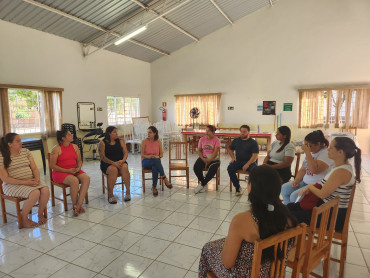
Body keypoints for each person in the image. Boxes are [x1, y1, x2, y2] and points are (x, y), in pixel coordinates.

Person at [199, 166, 298, 277]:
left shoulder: (242, 220)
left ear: (251, 187)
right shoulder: (288, 216)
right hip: (275, 274)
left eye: (248, 181)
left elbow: (227, 263)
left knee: (207, 249)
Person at [287, 137, 361, 231]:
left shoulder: (341, 172)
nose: (327, 149)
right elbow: (323, 186)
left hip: (331, 216)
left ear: (340, 152)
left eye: (331, 147)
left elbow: (322, 194)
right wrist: (310, 189)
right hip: (325, 208)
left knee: (287, 216)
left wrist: (309, 186)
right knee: (288, 208)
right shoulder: (339, 167)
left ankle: (290, 242)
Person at [0, 133, 50, 227]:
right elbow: (5, 179)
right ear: (9, 144)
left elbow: (34, 168)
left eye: (20, 140)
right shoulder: (1, 156)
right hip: (12, 186)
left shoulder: (25, 151)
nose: (21, 143)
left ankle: (40, 214)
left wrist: (37, 179)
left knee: (45, 190)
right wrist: (25, 182)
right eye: (17, 141)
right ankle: (24, 219)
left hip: (29, 181)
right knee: (35, 193)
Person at [281, 130, 334, 205]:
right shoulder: (311, 152)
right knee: (284, 188)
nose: (306, 147)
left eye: (309, 146)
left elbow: (315, 170)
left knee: (294, 197)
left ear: (318, 144)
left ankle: (294, 212)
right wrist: (297, 180)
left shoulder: (325, 154)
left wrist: (308, 153)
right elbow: (303, 169)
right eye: (305, 145)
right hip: (305, 182)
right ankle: (290, 211)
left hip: (317, 185)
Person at [50, 130, 90, 216]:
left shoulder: (75, 147)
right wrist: (67, 171)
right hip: (60, 172)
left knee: (86, 178)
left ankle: (79, 204)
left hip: (74, 170)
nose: (72, 135)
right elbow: (52, 165)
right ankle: (75, 204)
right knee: (74, 181)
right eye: (69, 135)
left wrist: (78, 167)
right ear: (63, 138)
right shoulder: (56, 149)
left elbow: (79, 160)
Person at [99, 126, 131, 204]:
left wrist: (122, 160)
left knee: (125, 167)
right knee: (113, 169)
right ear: (109, 134)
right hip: (107, 163)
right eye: (114, 132)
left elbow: (126, 153)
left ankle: (128, 191)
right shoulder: (102, 143)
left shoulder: (120, 141)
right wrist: (113, 163)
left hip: (120, 162)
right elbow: (102, 157)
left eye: (116, 132)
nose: (117, 134)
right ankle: (110, 194)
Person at [227, 125, 259, 196]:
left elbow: (255, 155)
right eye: (241, 131)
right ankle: (237, 187)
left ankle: (252, 190)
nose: (242, 133)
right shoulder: (236, 140)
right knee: (230, 168)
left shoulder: (253, 142)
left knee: (254, 172)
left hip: (250, 162)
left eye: (244, 132)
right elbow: (230, 149)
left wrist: (247, 164)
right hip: (238, 161)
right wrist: (233, 158)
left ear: (248, 132)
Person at [141, 126, 172, 196]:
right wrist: (150, 156)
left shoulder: (158, 142)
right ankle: (164, 177)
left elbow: (161, 155)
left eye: (150, 133)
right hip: (146, 161)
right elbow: (142, 155)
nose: (148, 134)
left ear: (155, 133)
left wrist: (156, 157)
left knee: (155, 166)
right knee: (156, 161)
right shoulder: (144, 142)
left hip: (155, 161)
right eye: (147, 133)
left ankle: (154, 187)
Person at [194, 125, 221, 194]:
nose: (206, 132)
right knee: (196, 167)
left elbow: (215, 152)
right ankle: (204, 183)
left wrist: (210, 159)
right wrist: (202, 158)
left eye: (208, 131)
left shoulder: (216, 140)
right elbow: (199, 150)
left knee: (213, 168)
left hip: (214, 158)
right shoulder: (202, 139)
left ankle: (202, 184)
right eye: (206, 130)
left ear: (213, 132)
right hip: (203, 157)